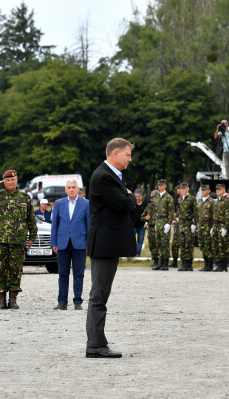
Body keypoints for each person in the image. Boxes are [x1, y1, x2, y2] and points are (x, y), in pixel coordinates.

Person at [85, 137, 136, 359]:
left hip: (107, 245)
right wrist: (130, 196)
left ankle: (97, 342)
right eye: (127, 154)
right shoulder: (104, 176)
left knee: (100, 294)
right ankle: (95, 345)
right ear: (115, 154)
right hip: (104, 245)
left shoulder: (110, 175)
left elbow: (125, 203)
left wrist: (128, 197)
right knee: (98, 295)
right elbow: (122, 204)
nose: (130, 159)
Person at [0, 169, 37, 310]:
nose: (10, 182)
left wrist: (32, 236)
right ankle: (1, 300)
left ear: (17, 181)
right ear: (4, 181)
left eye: (13, 180)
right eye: (7, 180)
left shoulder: (24, 197)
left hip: (18, 240)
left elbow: (31, 218)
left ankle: (13, 299)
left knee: (15, 270)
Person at [50, 180, 90, 311]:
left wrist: (88, 243)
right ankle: (62, 302)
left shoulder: (86, 204)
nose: (71, 189)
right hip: (63, 243)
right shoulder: (59, 204)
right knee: (63, 274)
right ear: (65, 190)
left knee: (79, 274)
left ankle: (77, 301)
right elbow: (54, 225)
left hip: (80, 244)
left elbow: (89, 225)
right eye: (69, 187)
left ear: (78, 189)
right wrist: (54, 242)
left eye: (74, 187)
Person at [152, 179, 175, 271]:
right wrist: (155, 222)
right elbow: (156, 211)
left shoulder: (168, 197)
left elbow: (171, 211)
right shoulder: (157, 197)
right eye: (158, 185)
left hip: (165, 222)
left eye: (161, 185)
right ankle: (160, 262)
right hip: (158, 222)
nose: (159, 187)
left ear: (165, 186)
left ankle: (165, 263)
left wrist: (169, 223)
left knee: (165, 243)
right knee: (158, 242)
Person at [131, 191, 148, 257]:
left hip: (142, 226)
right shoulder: (132, 204)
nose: (137, 198)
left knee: (140, 241)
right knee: (132, 241)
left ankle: (138, 254)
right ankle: (133, 253)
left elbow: (149, 215)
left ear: (142, 196)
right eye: (136, 196)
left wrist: (146, 223)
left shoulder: (145, 205)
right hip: (133, 226)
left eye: (139, 196)